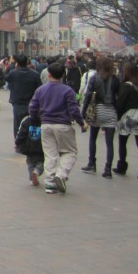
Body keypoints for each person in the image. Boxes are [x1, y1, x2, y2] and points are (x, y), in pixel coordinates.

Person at [28, 63, 88, 194]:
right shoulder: (67, 90)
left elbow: (32, 107)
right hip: (63, 125)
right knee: (70, 152)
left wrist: (35, 120)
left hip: (45, 124)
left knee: (50, 154)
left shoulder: (41, 90)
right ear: (62, 75)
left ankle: (49, 184)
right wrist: (82, 123)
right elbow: (74, 109)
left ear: (48, 74)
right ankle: (61, 174)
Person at [80, 56, 120, 178]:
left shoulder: (94, 78)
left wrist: (83, 112)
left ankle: (92, 163)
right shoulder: (115, 79)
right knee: (109, 143)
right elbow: (119, 96)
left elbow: (87, 95)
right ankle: (108, 169)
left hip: (96, 110)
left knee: (93, 138)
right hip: (110, 111)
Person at [114, 61, 138, 180]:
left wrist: (116, 117)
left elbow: (120, 104)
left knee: (122, 142)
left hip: (129, 116)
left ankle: (122, 166)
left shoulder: (125, 86)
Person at [5, 54, 42, 140]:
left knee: (18, 124)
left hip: (18, 103)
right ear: (27, 62)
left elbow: (5, 77)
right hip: (32, 103)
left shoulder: (13, 73)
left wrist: (11, 65)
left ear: (17, 63)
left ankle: (18, 142)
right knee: (33, 123)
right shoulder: (35, 74)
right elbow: (39, 89)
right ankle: (33, 141)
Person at [15, 113, 44, 187]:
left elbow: (21, 133)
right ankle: (37, 171)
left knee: (30, 163)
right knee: (42, 162)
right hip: (41, 147)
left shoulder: (26, 120)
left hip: (28, 147)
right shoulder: (45, 120)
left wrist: (17, 143)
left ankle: (32, 178)